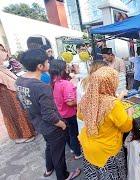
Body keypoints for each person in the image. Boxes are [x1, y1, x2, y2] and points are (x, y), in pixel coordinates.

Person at [16, 49, 81, 180]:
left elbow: (22, 103)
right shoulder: (41, 87)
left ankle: (49, 168)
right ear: (40, 66)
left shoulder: (19, 81)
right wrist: (62, 124)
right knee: (58, 153)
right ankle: (64, 176)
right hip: (52, 126)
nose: (49, 64)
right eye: (47, 62)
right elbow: (49, 115)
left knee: (49, 146)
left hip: (37, 123)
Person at [78, 66, 133, 179]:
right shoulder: (113, 104)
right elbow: (126, 127)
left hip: (88, 146)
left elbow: (81, 116)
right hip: (107, 150)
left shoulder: (86, 98)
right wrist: (130, 114)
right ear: (109, 83)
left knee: (95, 175)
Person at [0, 45, 35, 144]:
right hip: (6, 97)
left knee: (21, 113)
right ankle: (21, 135)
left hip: (14, 94)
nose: (4, 53)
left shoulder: (3, 67)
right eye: (1, 51)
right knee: (14, 115)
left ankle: (26, 133)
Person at [49, 60, 82, 160]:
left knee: (68, 133)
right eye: (66, 67)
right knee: (74, 133)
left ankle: (72, 148)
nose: (67, 69)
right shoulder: (65, 84)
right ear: (62, 70)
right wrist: (82, 101)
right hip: (69, 113)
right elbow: (70, 102)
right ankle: (77, 152)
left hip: (60, 112)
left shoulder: (53, 82)